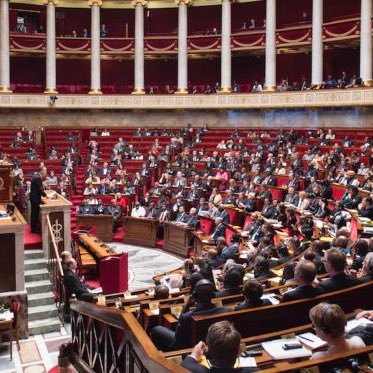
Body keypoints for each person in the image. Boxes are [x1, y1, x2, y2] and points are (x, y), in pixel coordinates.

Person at [151, 280, 229, 351]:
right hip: (215, 344)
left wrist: (187, 305)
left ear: (195, 295)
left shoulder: (187, 317)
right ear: (213, 295)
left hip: (189, 347)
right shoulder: (227, 311)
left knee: (156, 329)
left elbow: (178, 338)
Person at [181, 321, 259, 372]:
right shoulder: (255, 371)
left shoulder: (201, 370)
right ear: (238, 351)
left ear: (208, 353)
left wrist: (194, 356)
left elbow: (184, 366)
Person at [30, 166, 47, 233]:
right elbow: (40, 189)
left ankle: (34, 228)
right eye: (45, 170)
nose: (46, 172)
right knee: (35, 214)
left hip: (34, 198)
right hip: (35, 199)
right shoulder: (37, 177)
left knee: (34, 214)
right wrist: (46, 195)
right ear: (41, 171)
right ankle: (34, 229)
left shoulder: (36, 176)